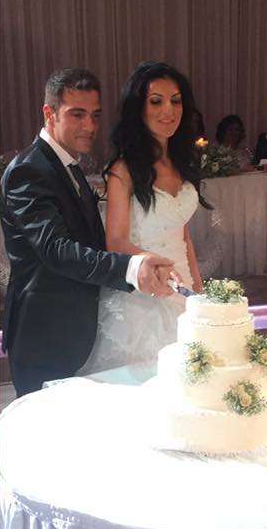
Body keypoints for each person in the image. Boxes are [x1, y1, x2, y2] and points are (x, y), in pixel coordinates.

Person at [0, 68, 177, 396]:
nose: (90, 126)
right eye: (77, 114)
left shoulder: (67, 165)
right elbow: (56, 250)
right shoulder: (29, 170)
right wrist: (131, 268)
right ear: (49, 113)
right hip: (44, 337)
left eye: (95, 115)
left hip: (71, 332)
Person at [78, 61, 208, 376]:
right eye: (156, 101)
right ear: (139, 109)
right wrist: (154, 265)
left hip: (183, 289)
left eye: (175, 101)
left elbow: (183, 236)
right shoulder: (123, 170)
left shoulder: (183, 163)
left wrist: (200, 292)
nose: (168, 110)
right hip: (143, 290)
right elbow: (116, 241)